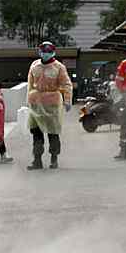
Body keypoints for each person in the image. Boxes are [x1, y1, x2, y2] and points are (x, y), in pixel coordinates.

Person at [26, 42, 73, 170]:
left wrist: (67, 100)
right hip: (36, 103)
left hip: (52, 103)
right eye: (43, 51)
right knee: (36, 132)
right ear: (39, 52)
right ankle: (37, 160)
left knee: (53, 132)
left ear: (53, 52)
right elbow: (30, 83)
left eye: (48, 51)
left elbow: (67, 84)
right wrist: (28, 100)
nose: (45, 53)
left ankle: (54, 159)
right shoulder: (34, 65)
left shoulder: (59, 67)